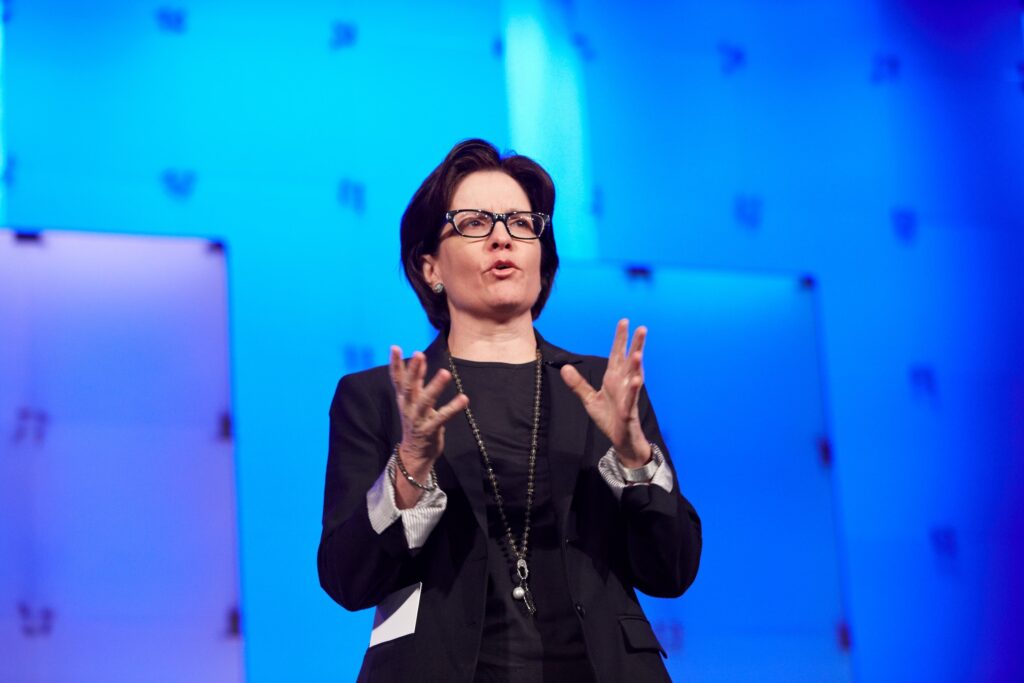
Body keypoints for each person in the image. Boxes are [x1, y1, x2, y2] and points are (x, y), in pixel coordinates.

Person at [317, 139, 702, 682]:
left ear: (542, 259)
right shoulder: (379, 397)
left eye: (522, 223)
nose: (503, 236)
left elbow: (672, 570)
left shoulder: (604, 385)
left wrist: (635, 458)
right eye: (474, 222)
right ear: (430, 266)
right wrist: (410, 469)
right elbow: (347, 580)